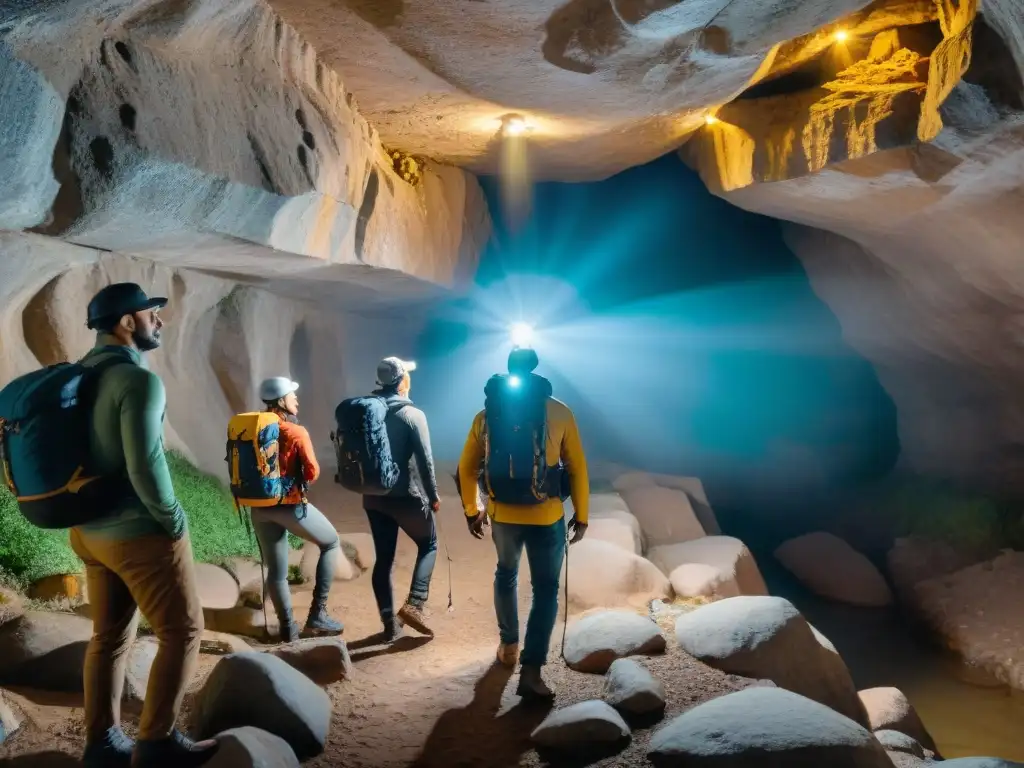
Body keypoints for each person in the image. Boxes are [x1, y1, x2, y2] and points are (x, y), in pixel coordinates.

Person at [71, 282, 218, 767]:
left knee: (108, 638)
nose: (159, 320)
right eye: (151, 312)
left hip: (88, 532)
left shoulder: (80, 376)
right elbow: (145, 462)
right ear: (127, 322)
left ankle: (101, 743)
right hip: (137, 532)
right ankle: (155, 742)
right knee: (183, 630)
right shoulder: (137, 381)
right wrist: (173, 518)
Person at [458, 347, 589, 700]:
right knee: (545, 590)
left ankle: (508, 646)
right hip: (547, 516)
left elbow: (466, 468)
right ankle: (531, 672)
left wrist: (473, 509)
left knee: (506, 574)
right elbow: (576, 467)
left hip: (503, 515)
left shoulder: (487, 415)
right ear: (535, 368)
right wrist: (583, 514)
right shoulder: (559, 412)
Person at [251, 377, 344, 642]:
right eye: (293, 395)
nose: (297, 399)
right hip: (288, 505)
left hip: (259, 507)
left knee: (276, 571)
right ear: (281, 400)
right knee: (331, 542)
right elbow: (312, 471)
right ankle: (318, 615)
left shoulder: (251, 427)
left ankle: (288, 629)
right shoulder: (295, 431)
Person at [363, 357, 441, 642]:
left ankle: (388, 624)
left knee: (383, 559)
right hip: (406, 496)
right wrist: (433, 496)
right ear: (402, 381)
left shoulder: (367, 411)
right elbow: (425, 461)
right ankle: (415, 604)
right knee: (429, 543)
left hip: (373, 497)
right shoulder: (412, 415)